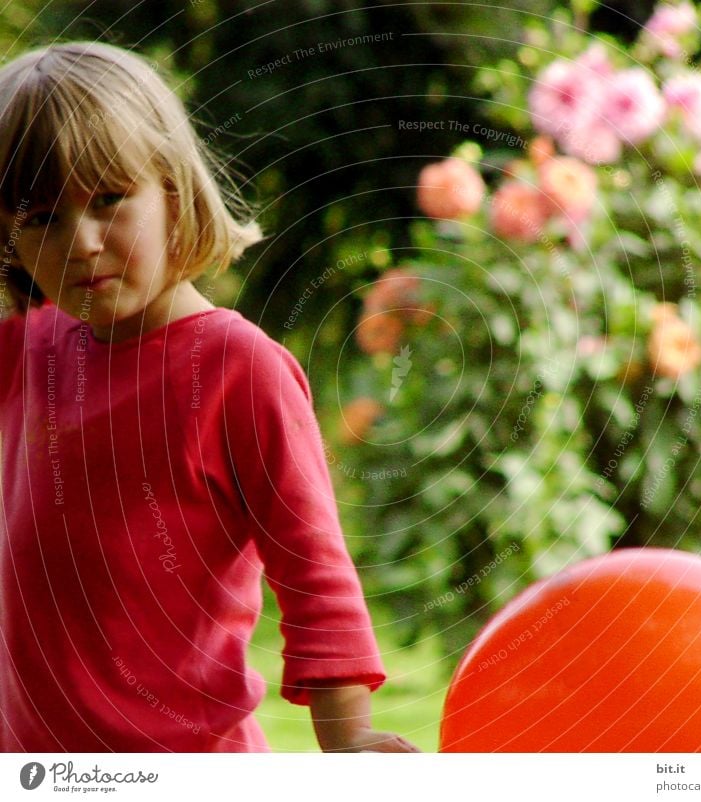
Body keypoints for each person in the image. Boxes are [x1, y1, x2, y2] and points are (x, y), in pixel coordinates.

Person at [0, 41, 418, 753]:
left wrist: (348, 747)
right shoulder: (22, 353)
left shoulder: (238, 369)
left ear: (172, 190)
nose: (83, 242)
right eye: (42, 218)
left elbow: (315, 574)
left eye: (108, 199)